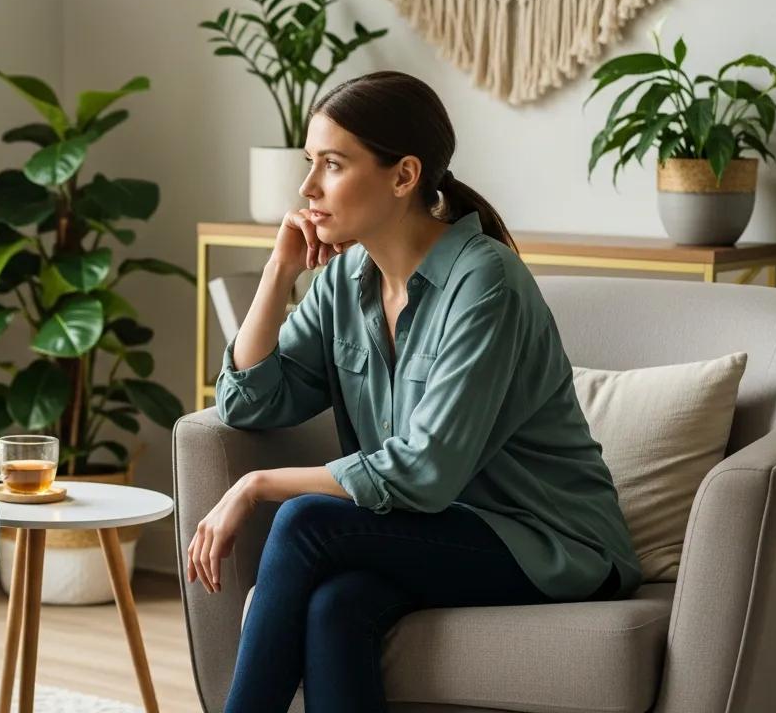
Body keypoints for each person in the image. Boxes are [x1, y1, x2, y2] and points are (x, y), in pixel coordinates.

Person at [185, 70, 640, 712]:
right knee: (338, 605)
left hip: (547, 544)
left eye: (333, 165)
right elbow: (247, 402)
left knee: (305, 519)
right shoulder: (344, 278)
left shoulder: (486, 284)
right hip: (437, 529)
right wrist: (279, 268)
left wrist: (256, 484)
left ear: (403, 176)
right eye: (309, 163)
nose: (308, 188)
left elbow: (425, 471)